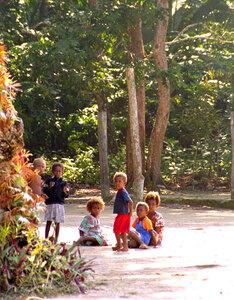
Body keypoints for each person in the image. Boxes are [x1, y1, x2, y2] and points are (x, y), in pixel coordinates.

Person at [43, 162, 69, 243]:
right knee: (49, 221)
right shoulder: (48, 181)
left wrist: (65, 192)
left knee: (57, 222)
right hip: (50, 204)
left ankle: (56, 238)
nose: (57, 173)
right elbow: (44, 192)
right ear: (53, 172)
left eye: (59, 171)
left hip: (59, 204)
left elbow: (66, 194)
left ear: (62, 172)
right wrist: (50, 187)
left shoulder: (63, 183)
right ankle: (46, 238)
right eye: (56, 171)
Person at [112, 172, 133, 252]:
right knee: (123, 231)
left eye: (120, 181)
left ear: (124, 182)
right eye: (116, 181)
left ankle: (119, 245)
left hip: (123, 214)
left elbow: (130, 202)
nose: (117, 183)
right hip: (123, 214)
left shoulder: (123, 192)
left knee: (116, 229)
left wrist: (130, 213)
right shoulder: (120, 192)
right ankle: (125, 247)